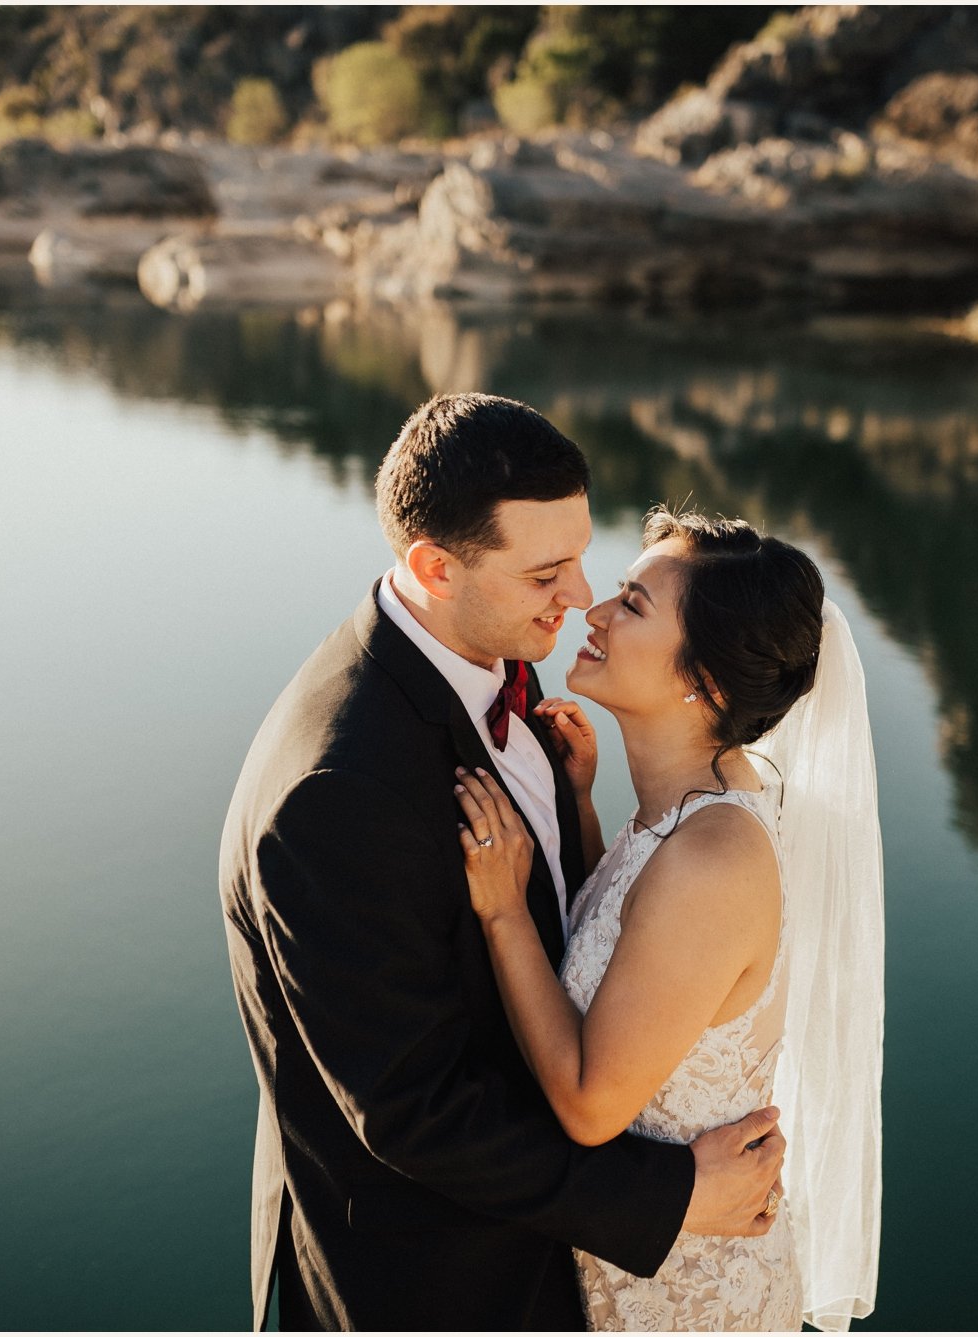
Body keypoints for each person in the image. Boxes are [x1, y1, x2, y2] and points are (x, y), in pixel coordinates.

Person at [218, 394, 787, 1331]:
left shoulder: (490, 659)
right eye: (547, 573)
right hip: (439, 1282)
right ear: (435, 567)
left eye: (579, 554)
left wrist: (576, 808)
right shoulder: (339, 791)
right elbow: (413, 1110)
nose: (580, 598)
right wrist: (672, 1194)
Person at [452, 507, 885, 1331]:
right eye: (619, 592)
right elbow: (620, 948)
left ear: (707, 683)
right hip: (642, 1254)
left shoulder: (713, 859)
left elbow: (588, 1102)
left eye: (633, 606)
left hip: (681, 1292)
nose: (594, 612)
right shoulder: (691, 807)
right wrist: (580, 803)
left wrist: (505, 910)